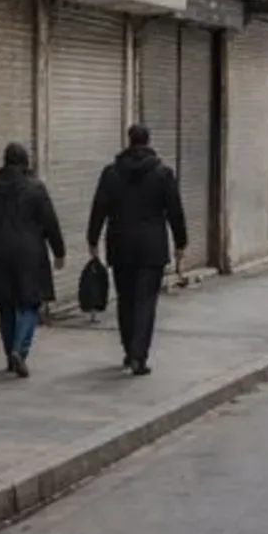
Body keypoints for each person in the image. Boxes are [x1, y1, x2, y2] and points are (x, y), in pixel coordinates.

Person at [88, 124, 189, 376]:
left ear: (129, 140)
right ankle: (138, 356)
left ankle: (128, 350)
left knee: (125, 300)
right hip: (151, 247)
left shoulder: (111, 173)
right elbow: (174, 210)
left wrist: (92, 239)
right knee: (145, 301)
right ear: (148, 140)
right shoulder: (163, 174)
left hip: (120, 244)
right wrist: (181, 242)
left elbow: (99, 207)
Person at [0, 142, 66, 378]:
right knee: (29, 304)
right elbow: (50, 222)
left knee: (6, 305)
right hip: (30, 253)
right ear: (25, 162)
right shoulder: (36, 188)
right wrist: (59, 252)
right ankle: (19, 350)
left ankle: (10, 355)